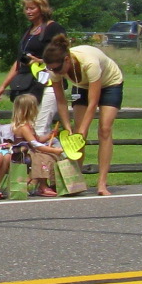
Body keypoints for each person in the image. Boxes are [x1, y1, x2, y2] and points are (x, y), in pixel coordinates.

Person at [44, 34, 124, 196]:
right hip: (82, 85)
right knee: (76, 134)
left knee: (105, 129)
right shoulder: (55, 71)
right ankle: (75, 181)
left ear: (67, 59)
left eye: (57, 69)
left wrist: (82, 131)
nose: (55, 72)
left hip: (110, 83)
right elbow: (61, 101)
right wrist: (69, 129)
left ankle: (102, 183)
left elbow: (93, 103)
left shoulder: (90, 62)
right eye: (51, 69)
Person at [0, 0, 65, 137]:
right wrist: (3, 85)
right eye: (26, 9)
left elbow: (64, 55)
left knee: (40, 128)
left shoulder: (53, 28)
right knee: (27, 128)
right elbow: (20, 61)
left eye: (32, 8)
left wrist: (41, 61)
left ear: (42, 8)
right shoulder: (28, 32)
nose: (29, 12)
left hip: (49, 83)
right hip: (28, 84)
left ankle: (45, 157)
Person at [11, 92, 63, 198]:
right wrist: (53, 150)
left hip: (31, 150)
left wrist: (49, 136)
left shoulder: (28, 126)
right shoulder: (23, 128)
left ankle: (52, 183)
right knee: (44, 156)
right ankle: (42, 186)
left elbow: (37, 140)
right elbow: (36, 145)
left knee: (49, 155)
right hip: (23, 153)